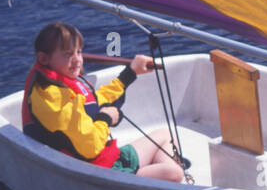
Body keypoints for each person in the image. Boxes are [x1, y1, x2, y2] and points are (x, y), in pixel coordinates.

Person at [22, 21, 184, 181]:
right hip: (98, 173)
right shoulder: (52, 98)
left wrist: (130, 73)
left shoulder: (62, 82)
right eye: (67, 54)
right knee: (174, 173)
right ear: (43, 58)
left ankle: (154, 173)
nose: (78, 60)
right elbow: (91, 147)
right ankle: (159, 175)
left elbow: (94, 102)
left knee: (166, 134)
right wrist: (105, 118)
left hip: (106, 158)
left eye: (79, 52)